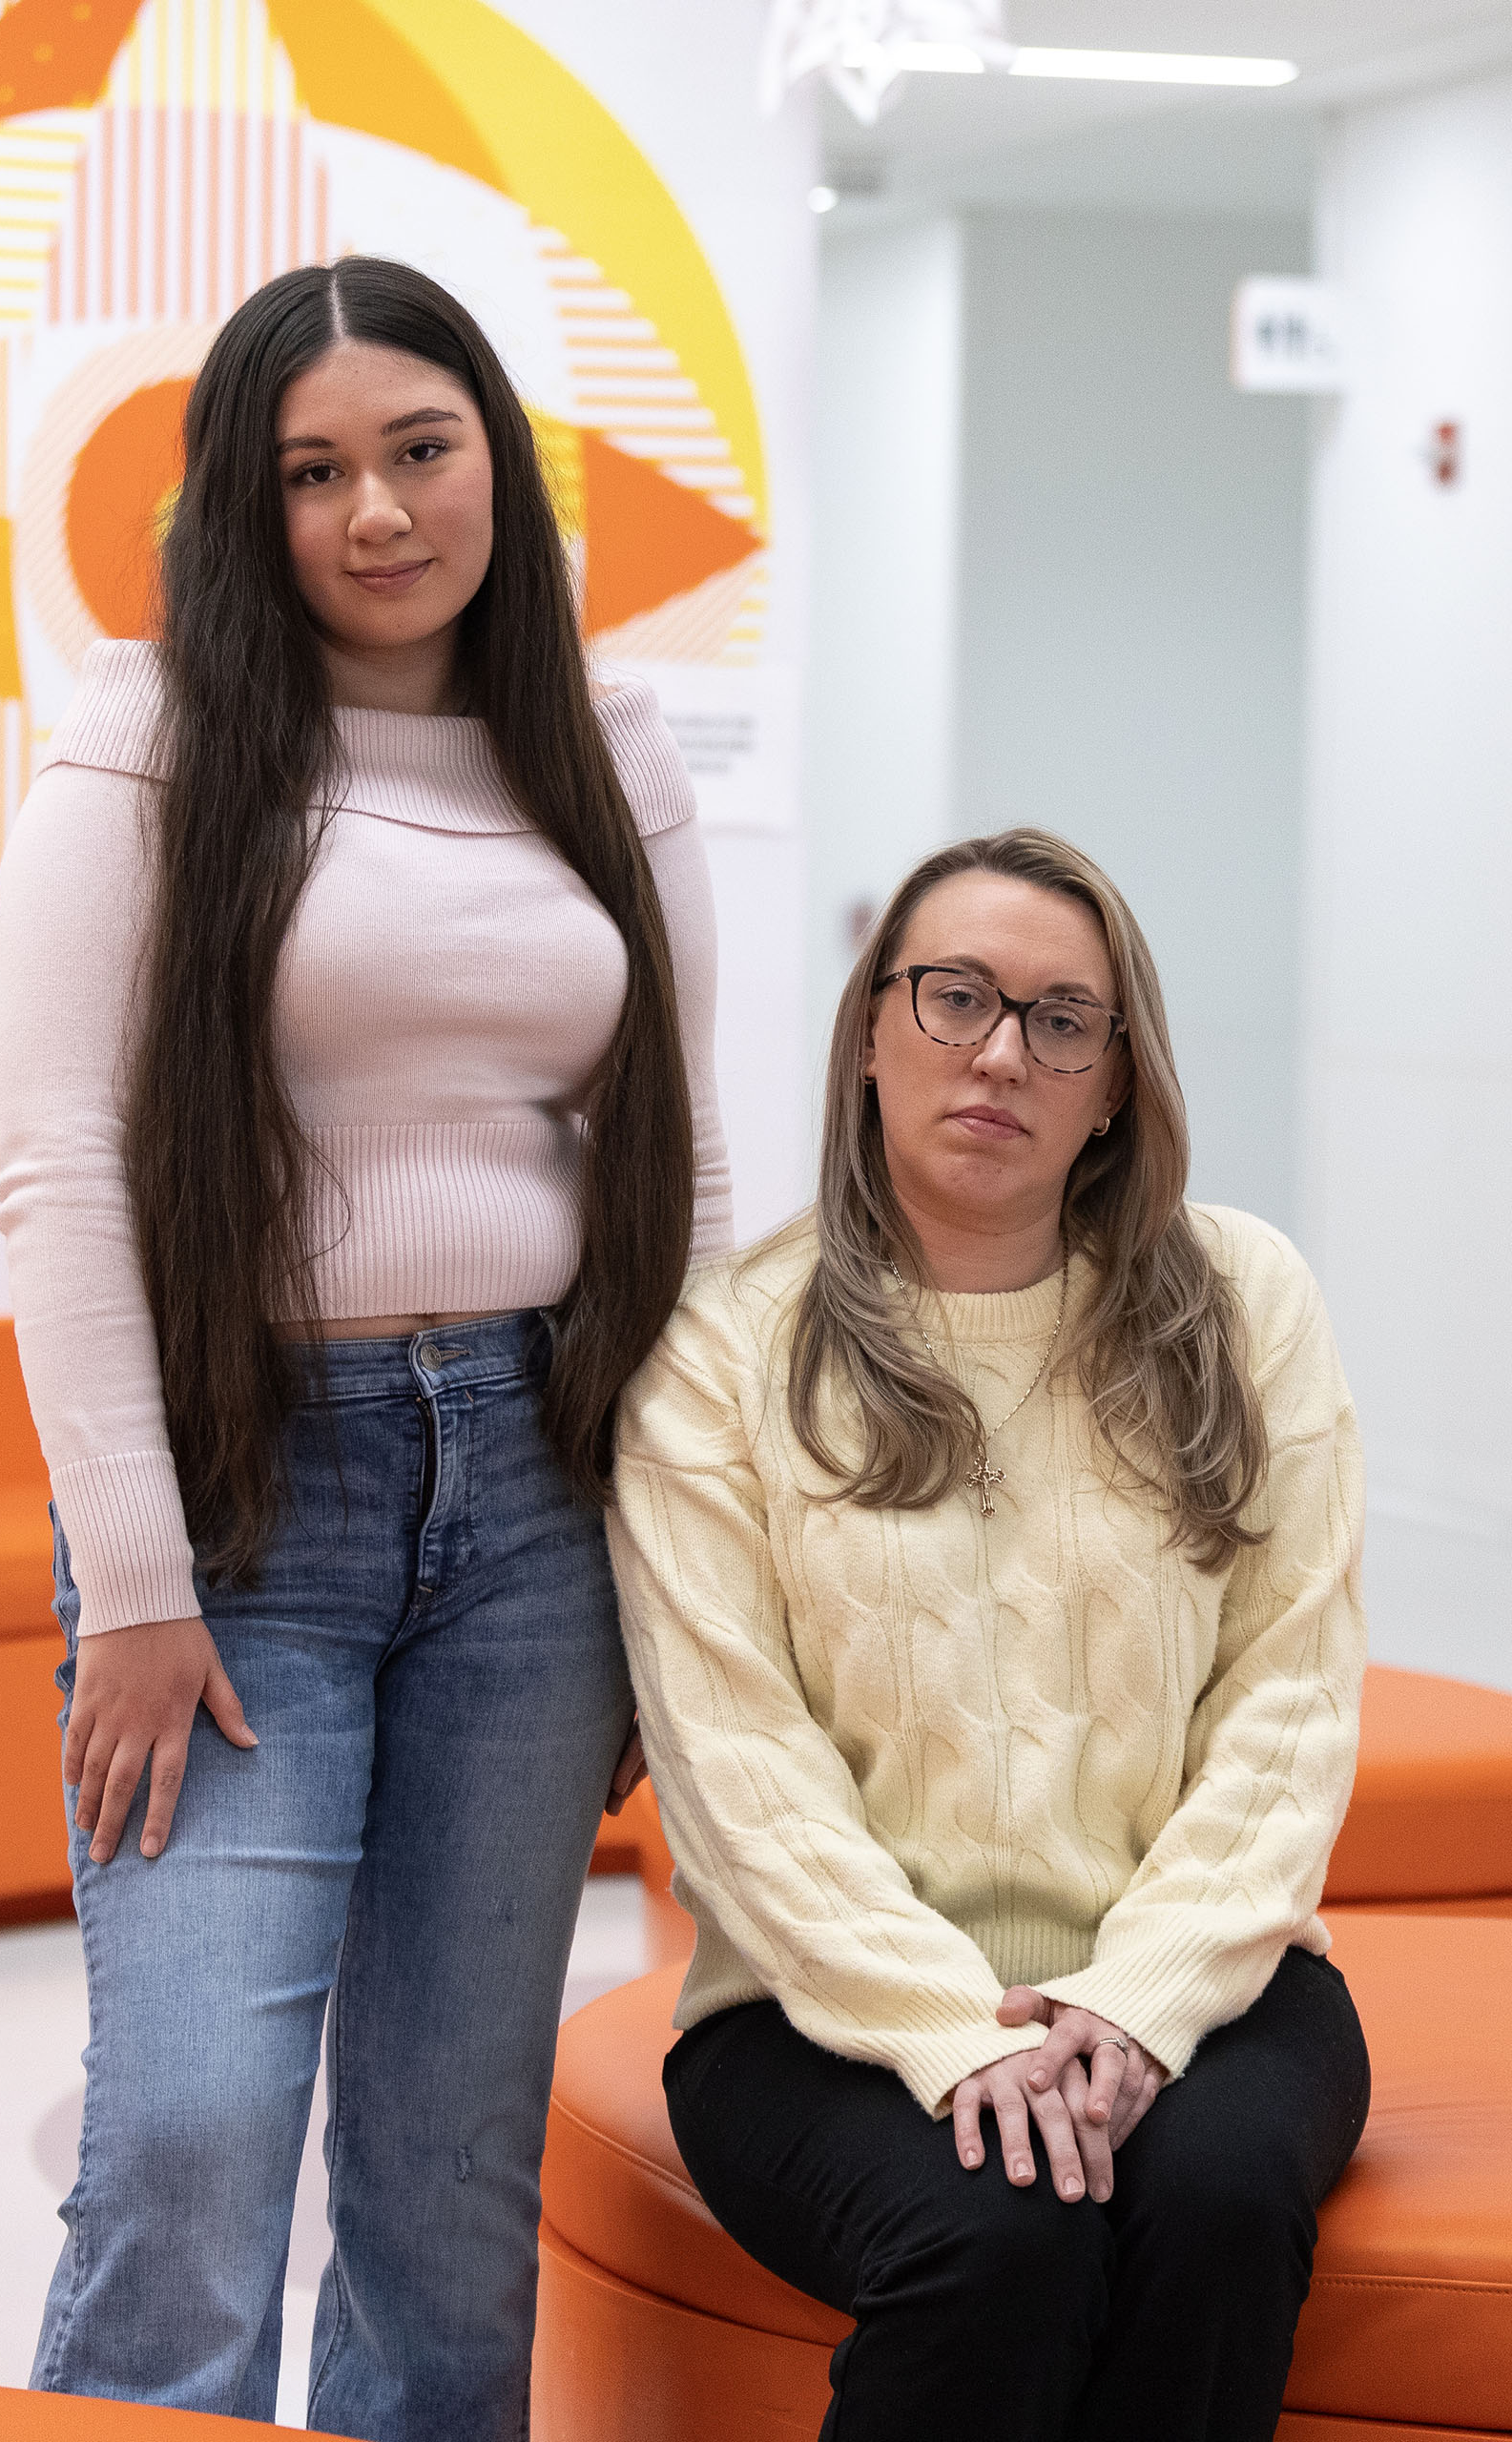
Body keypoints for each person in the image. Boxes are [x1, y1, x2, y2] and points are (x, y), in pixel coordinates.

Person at [0, 254, 729, 2432]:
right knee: (194, 2128)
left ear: (493, 449)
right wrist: (130, 1578)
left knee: (442, 2170)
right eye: (314, 472)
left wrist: (678, 1573)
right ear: (246, 501)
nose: (380, 510)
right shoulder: (156, 738)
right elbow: (59, 1162)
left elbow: (676, 1177)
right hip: (243, 1499)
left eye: (420, 447)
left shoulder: (606, 743)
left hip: (534, 1500)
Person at [608, 829, 1371, 2442]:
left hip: (1204, 1980)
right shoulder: (722, 1354)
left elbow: (1291, 1696)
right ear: (871, 1033)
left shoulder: (1245, 1300)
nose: (1001, 1053)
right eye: (954, 998)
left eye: (1062, 1020)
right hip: (816, 2014)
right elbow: (736, 1767)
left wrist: (1141, 2000)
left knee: (1218, 2207)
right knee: (1001, 2235)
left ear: (1114, 1083)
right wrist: (957, 2039)